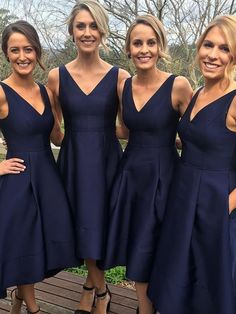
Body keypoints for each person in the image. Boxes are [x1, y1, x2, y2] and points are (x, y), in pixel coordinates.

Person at [99, 14, 193, 314]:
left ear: (160, 46)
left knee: (164, 249)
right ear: (128, 48)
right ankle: (144, 309)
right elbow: (125, 131)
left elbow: (193, 135)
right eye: (137, 43)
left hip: (166, 177)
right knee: (138, 249)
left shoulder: (178, 85)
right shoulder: (124, 87)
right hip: (133, 177)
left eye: (151, 43)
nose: (144, 49)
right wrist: (85, 129)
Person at [147, 15, 236, 314]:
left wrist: (227, 204)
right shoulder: (198, 93)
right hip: (184, 197)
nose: (213, 54)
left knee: (210, 285)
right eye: (208, 45)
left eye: (224, 48)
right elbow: (199, 139)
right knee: (180, 281)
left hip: (216, 203)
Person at [47, 1, 130, 313]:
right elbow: (54, 132)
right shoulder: (56, 77)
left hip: (107, 163)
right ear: (71, 31)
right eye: (81, 26)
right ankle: (99, 289)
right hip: (73, 164)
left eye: (93, 25)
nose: (87, 32)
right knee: (78, 224)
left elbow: (128, 127)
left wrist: (99, 138)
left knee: (99, 225)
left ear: (102, 31)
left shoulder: (120, 77)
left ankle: (95, 290)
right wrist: (79, 142)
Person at [0, 20, 78, 314]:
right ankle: (33, 308)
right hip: (18, 179)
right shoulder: (2, 93)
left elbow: (57, 135)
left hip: (47, 176)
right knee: (24, 245)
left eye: (28, 49)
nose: (23, 56)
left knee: (53, 241)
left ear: (37, 51)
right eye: (15, 50)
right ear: (7, 54)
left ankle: (20, 296)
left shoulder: (47, 93)